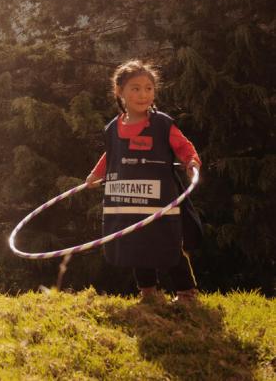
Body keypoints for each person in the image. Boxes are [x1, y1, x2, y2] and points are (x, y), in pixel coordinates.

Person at [86, 59, 202, 304]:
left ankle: (186, 292)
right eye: (135, 88)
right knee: (135, 242)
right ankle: (148, 291)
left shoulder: (161, 124)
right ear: (119, 92)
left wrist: (191, 162)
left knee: (168, 244)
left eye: (148, 88)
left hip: (160, 201)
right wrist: (96, 175)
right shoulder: (112, 129)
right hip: (127, 202)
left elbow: (184, 146)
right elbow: (111, 155)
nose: (143, 94)